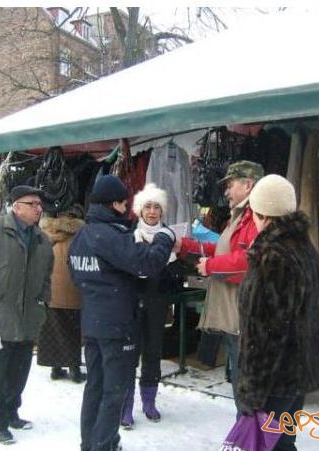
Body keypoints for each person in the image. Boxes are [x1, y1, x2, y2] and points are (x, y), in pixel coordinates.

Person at [68, 175, 176, 451]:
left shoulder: (82, 235)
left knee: (95, 387)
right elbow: (148, 264)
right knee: (113, 393)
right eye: (124, 203)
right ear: (114, 204)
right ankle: (102, 446)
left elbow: (76, 276)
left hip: (93, 324)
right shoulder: (110, 235)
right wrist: (165, 237)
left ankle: (91, 443)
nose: (127, 209)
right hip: (117, 327)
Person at [238, 174, 319, 451]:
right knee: (284, 443)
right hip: (297, 373)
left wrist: (252, 392)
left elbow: (265, 334)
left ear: (261, 213)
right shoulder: (305, 247)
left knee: (266, 446)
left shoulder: (272, 256)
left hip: (274, 381)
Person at [0, 185, 54, 445]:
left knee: (19, 370)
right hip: (0, 316)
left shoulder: (42, 239)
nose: (38, 209)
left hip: (29, 317)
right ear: (16, 206)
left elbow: (47, 275)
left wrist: (43, 301)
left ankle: (11, 412)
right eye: (33, 204)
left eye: (40, 205)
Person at [177, 160, 263, 415]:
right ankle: (248, 434)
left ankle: (252, 438)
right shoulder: (239, 215)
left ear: (248, 185)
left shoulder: (256, 217)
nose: (226, 191)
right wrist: (185, 245)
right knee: (240, 379)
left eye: (230, 184)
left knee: (247, 384)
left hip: (245, 315)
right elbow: (222, 248)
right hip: (233, 315)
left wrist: (211, 266)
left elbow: (249, 263)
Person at [121, 184, 182, 429]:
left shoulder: (169, 236)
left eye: (157, 207)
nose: (153, 211)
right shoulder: (128, 234)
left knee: (153, 354)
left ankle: (149, 401)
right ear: (139, 210)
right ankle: (125, 406)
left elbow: (177, 274)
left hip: (157, 302)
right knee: (128, 355)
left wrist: (174, 260)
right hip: (132, 304)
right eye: (148, 206)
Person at [37, 205, 86, 383]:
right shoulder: (80, 235)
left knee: (53, 332)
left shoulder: (46, 233)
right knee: (72, 333)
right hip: (73, 292)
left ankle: (55, 368)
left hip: (51, 292)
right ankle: (74, 370)